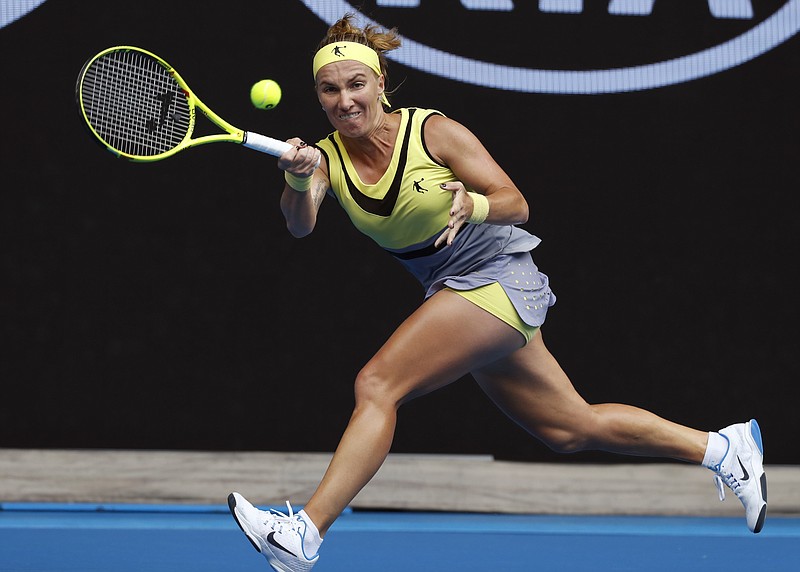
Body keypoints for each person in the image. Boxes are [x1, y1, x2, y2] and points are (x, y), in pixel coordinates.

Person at [227, 14, 767, 572]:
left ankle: (305, 534)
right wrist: (296, 178)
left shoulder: (433, 131)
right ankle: (724, 450)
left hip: (498, 275)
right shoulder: (326, 160)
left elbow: (516, 201)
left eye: (356, 84)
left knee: (377, 384)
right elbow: (299, 225)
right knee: (570, 428)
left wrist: (474, 205)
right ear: (318, 95)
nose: (345, 100)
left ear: (381, 82)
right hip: (454, 288)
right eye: (329, 89)